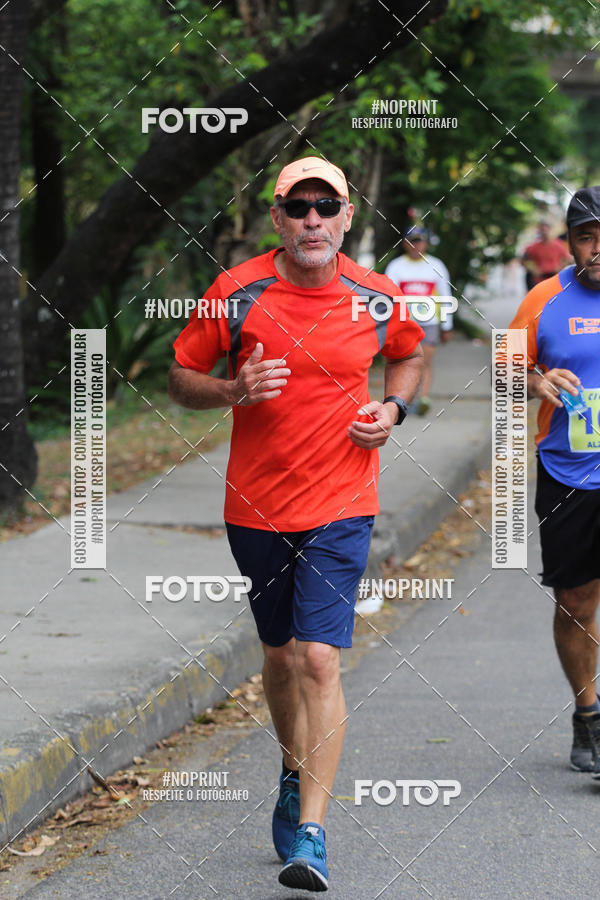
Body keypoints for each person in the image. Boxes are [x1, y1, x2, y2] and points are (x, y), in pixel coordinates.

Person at [168, 157, 424, 892]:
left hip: (344, 503)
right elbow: (181, 376)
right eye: (298, 206)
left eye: (327, 206)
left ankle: (312, 831)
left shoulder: (376, 295)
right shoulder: (236, 291)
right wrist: (230, 388)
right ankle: (291, 769)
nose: (313, 219)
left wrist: (393, 409)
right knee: (279, 658)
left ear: (347, 218)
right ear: (278, 219)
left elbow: (409, 359)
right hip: (256, 505)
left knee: (318, 658)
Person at [510, 186, 600, 776]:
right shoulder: (545, 298)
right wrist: (532, 383)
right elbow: (503, 368)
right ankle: (589, 715)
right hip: (569, 472)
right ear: (569, 244)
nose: (599, 249)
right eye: (588, 238)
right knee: (575, 600)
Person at [385, 227, 453, 415]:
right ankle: (405, 399)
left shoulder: (436, 265)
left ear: (426, 243)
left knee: (425, 361)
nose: (416, 245)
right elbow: (389, 296)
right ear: (405, 244)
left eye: (420, 241)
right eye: (412, 241)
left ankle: (423, 398)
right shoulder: (396, 266)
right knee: (403, 361)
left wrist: (446, 326)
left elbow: (445, 295)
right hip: (404, 323)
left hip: (429, 322)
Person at [522, 220, 571, 291]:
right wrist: (533, 270)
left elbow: (567, 260)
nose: (544, 232)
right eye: (542, 230)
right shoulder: (533, 247)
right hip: (539, 281)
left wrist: (559, 267)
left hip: (554, 279)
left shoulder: (559, 245)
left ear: (550, 230)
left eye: (546, 229)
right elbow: (524, 261)